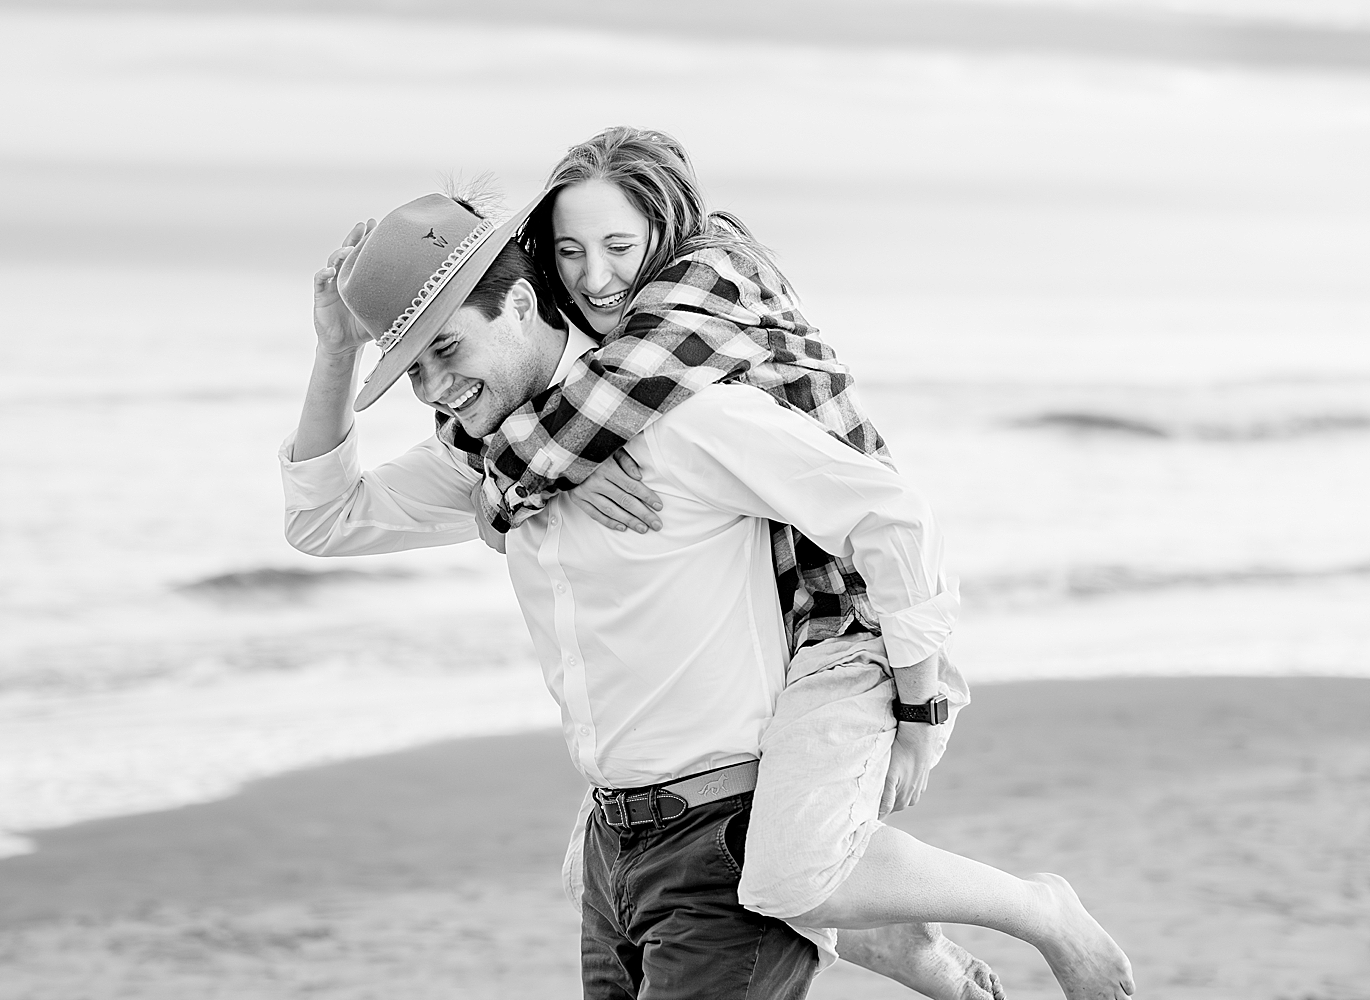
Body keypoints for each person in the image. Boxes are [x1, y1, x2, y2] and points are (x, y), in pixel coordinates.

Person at [281, 189, 1135, 1000]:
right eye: (412, 372)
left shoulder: (682, 421)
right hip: (613, 849)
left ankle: (1023, 911)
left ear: (517, 301)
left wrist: (922, 701)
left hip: (722, 845)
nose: (433, 390)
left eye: (446, 351)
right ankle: (903, 944)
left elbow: (889, 512)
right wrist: (335, 350)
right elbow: (325, 518)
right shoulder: (493, 457)